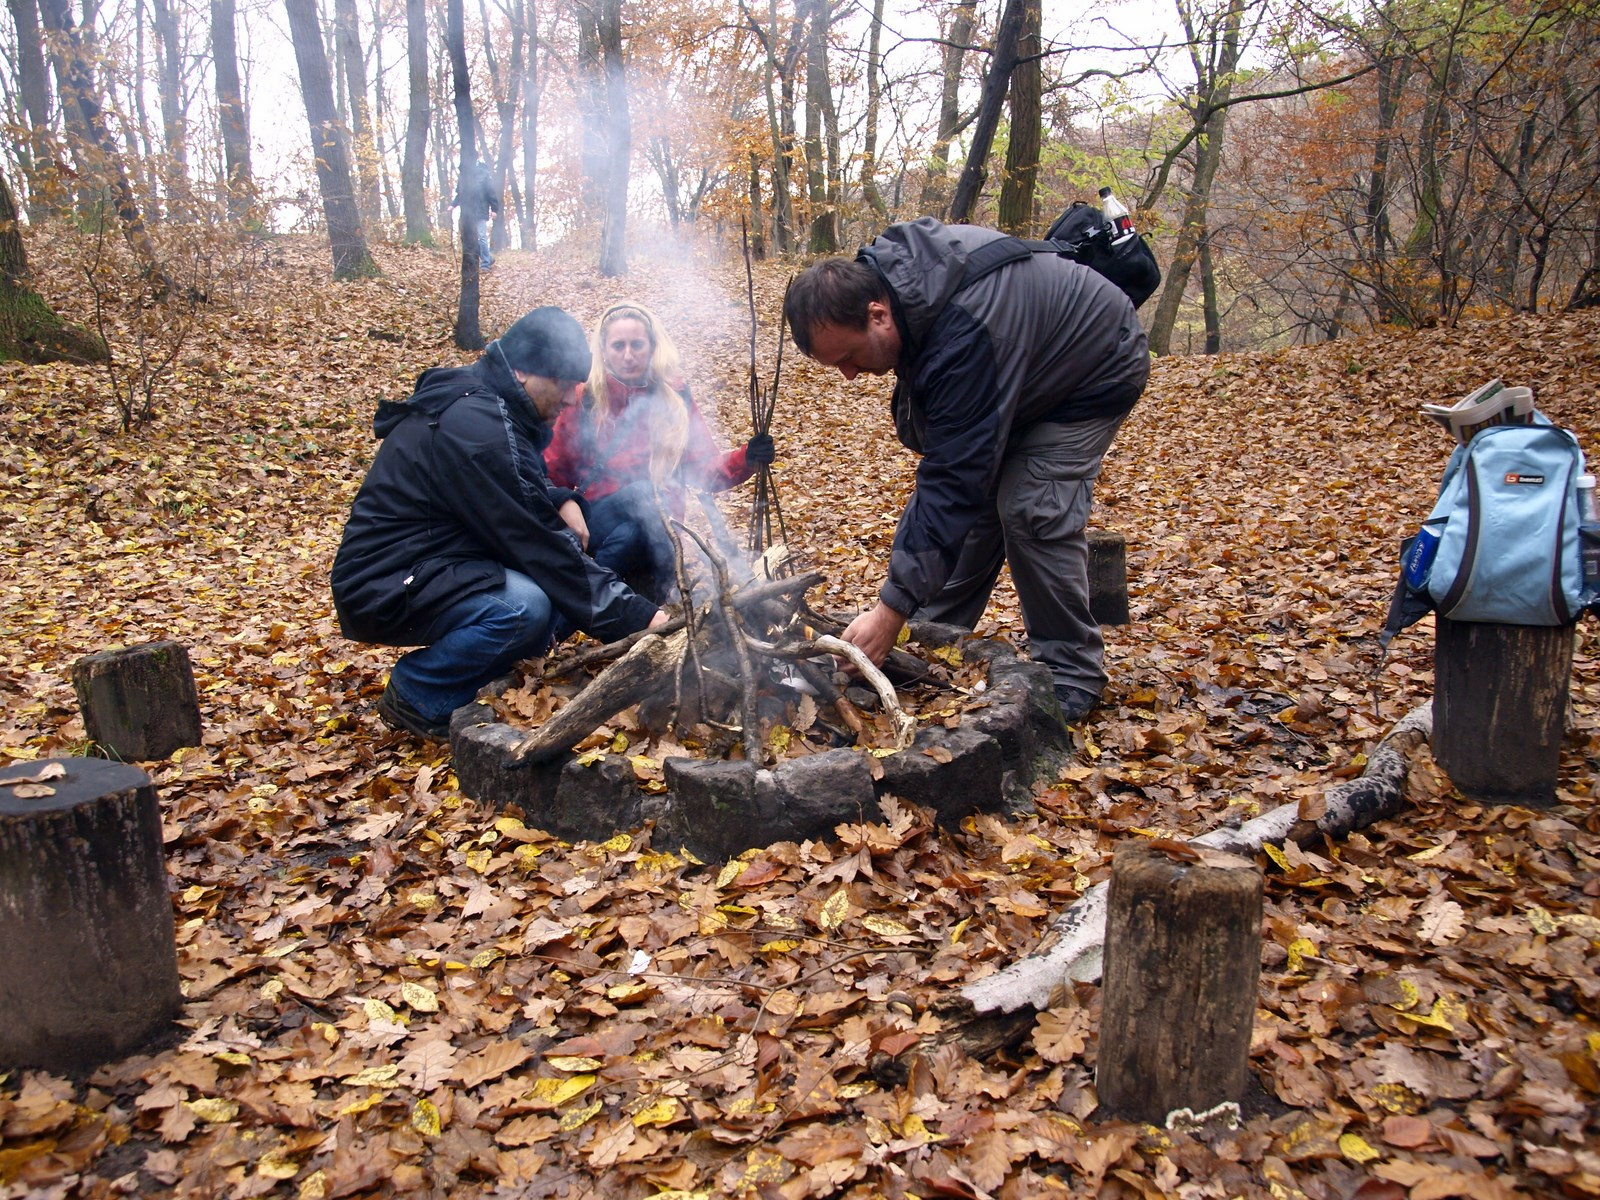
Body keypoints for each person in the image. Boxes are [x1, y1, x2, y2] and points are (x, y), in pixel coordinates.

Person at [783, 217, 1149, 722]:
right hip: (1021, 373)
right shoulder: (901, 288)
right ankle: (930, 634)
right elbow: (959, 480)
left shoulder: (967, 329)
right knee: (976, 513)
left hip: (1092, 370)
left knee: (1030, 508)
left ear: (877, 313)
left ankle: (1070, 674)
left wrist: (889, 607)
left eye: (848, 356)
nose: (848, 375)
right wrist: (901, 610)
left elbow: (952, 477)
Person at [331, 307, 668, 739]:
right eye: (563, 385)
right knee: (524, 606)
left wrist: (560, 497)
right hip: (384, 579)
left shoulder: (486, 407)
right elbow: (544, 551)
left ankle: (470, 674)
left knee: (604, 524)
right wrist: (645, 620)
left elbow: (497, 490)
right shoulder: (478, 428)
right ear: (525, 372)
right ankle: (418, 693)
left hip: (433, 559)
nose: (570, 400)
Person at [543, 302, 776, 602]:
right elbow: (551, 474)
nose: (628, 355)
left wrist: (746, 458)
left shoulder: (674, 397)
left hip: (656, 532)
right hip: (595, 524)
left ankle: (648, 604)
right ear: (603, 349)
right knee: (644, 493)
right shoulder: (584, 397)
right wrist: (563, 510)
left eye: (637, 344)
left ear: (652, 346)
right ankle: (598, 598)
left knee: (636, 528)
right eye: (618, 346)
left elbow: (703, 468)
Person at [451, 162, 500, 270]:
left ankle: (485, 264)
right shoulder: (464, 177)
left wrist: (494, 209)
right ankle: (486, 258)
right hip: (468, 213)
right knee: (468, 238)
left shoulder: (484, 175)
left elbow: (491, 193)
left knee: (481, 237)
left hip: (480, 211)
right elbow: (460, 193)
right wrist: (453, 204)